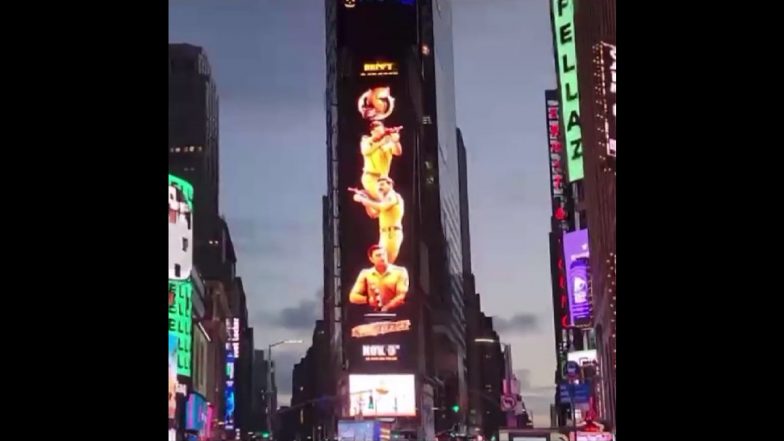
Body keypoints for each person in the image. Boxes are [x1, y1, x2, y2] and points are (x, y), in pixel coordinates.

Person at [352, 176, 404, 263]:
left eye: (382, 184)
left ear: (390, 185)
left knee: (384, 264)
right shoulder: (384, 200)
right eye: (379, 185)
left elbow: (382, 207)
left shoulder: (393, 196)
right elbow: (373, 214)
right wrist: (365, 200)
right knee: (380, 264)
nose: (380, 187)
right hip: (384, 234)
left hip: (392, 233)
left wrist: (363, 199)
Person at [349, 245, 409, 312]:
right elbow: (352, 297)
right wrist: (368, 300)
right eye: (378, 255)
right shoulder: (365, 273)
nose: (382, 258)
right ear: (371, 259)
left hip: (396, 313)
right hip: (373, 313)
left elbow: (402, 296)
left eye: (384, 254)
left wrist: (387, 307)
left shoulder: (400, 271)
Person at [359, 121, 402, 201]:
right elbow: (365, 151)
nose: (380, 134)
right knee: (384, 199)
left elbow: (398, 152)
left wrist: (396, 141)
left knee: (394, 201)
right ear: (372, 132)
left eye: (382, 131)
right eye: (378, 132)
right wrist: (381, 142)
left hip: (383, 179)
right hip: (370, 178)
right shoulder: (366, 141)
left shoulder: (387, 142)